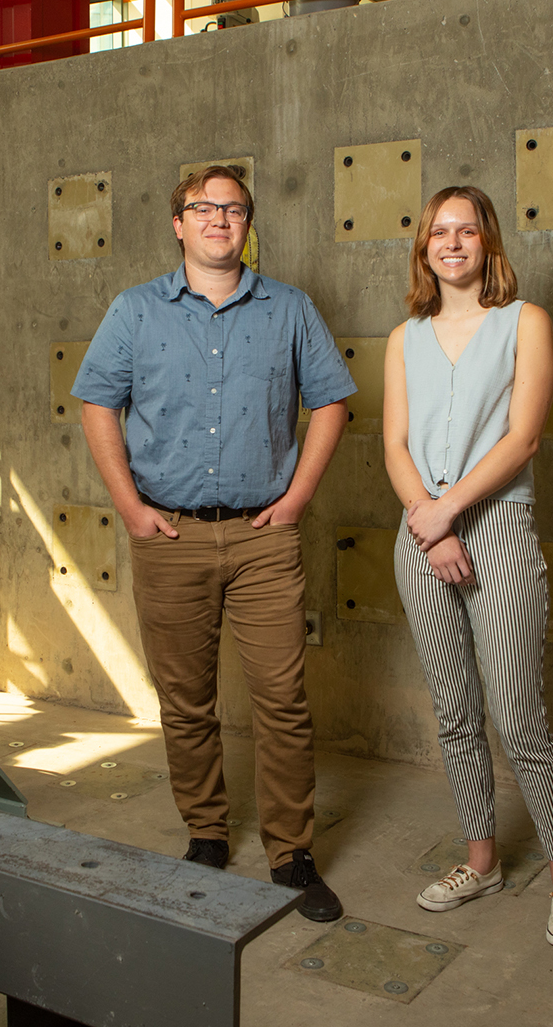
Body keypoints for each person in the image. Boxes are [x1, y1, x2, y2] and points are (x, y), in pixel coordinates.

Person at [72, 164, 355, 921]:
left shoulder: (291, 309)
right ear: (179, 223)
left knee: (283, 700)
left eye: (233, 208)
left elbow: (332, 404)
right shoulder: (135, 312)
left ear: (248, 223)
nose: (218, 219)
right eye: (203, 207)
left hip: (264, 537)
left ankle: (291, 853)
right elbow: (98, 403)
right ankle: (205, 832)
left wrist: (296, 500)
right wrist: (130, 508)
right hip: (169, 535)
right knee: (185, 702)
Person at [381, 185, 553, 948]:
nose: (454, 241)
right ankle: (481, 861)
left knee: (518, 715)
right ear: (424, 248)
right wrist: (429, 527)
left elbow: (523, 439)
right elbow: (395, 446)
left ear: (488, 243)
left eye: (467, 230)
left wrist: (449, 512)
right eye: (440, 231)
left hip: (497, 528)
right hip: (421, 537)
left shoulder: (523, 324)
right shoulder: (406, 338)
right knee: (454, 713)